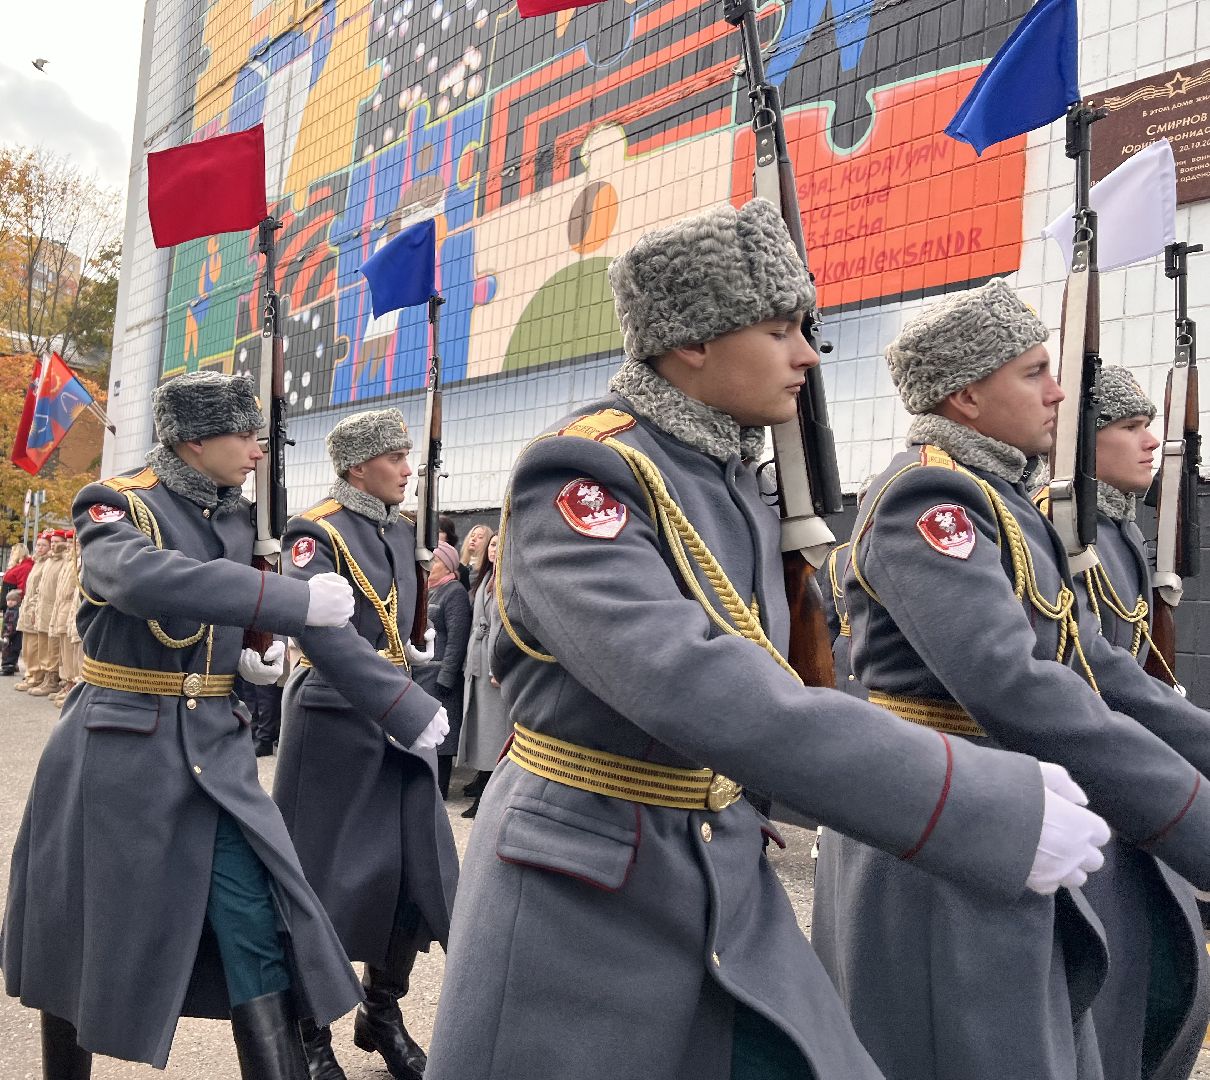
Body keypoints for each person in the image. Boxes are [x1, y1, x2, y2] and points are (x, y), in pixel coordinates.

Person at [424, 199, 1110, 1080]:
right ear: (693, 341)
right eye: (782, 328)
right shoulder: (587, 470)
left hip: (717, 868)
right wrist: (973, 799)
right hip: (586, 899)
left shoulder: (733, 476)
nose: (807, 355)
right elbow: (692, 680)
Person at [812, 281, 1210, 1080]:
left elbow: (1101, 670)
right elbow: (1013, 683)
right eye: (1034, 373)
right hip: (942, 836)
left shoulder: (998, 496)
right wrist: (1193, 820)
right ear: (967, 394)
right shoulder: (931, 496)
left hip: (1009, 814)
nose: (1058, 391)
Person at [1, 370, 364, 1079]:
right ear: (194, 442)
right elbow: (138, 580)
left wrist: (249, 655)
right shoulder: (116, 505)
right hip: (118, 747)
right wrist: (285, 600)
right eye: (243, 434)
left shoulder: (240, 517)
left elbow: (220, 613)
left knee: (255, 923)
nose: (258, 449)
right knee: (80, 931)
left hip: (213, 750)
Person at [275, 407, 459, 1080]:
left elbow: (396, 621)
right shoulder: (313, 532)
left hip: (398, 722)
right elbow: (322, 635)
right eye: (397, 457)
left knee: (414, 878)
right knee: (319, 886)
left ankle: (381, 1012)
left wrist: (417, 648)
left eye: (410, 455)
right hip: (333, 723)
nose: (410, 469)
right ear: (357, 465)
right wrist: (402, 697)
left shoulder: (401, 530)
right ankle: (309, 1032)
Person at [1048, 366, 1209, 1080]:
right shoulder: (1060, 531)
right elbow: (1096, 674)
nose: (1152, 443)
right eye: (1129, 427)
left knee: (1162, 987)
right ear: (1086, 444)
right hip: (1094, 796)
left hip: (1132, 779)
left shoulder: (1116, 529)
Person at [412, 540, 472, 799]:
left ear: (447, 565)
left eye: (435, 561)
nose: (430, 565)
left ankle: (439, 790)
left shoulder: (454, 591)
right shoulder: (428, 590)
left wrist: (446, 676)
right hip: (422, 674)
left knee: (442, 737)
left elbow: (457, 637)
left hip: (439, 677)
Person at [457, 530, 507, 817]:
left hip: (491, 664)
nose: (492, 549)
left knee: (493, 730)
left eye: (499, 545)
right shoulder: (485, 579)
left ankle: (488, 792)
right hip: (475, 660)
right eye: (491, 544)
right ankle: (482, 781)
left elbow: (502, 627)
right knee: (479, 726)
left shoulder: (505, 581)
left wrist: (496, 666)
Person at [13, 532, 51, 691]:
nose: (39, 548)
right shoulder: (37, 562)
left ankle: (36, 676)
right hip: (28, 605)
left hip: (36, 607)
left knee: (35, 646)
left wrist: (34, 609)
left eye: (43, 545)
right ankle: (30, 673)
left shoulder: (46, 563)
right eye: (38, 545)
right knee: (27, 645)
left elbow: (40, 590)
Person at [1, 541, 34, 608]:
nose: (11, 554)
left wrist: (15, 603)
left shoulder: (25, 567)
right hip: (10, 601)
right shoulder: (19, 566)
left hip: (13, 604)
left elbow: (23, 587)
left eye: (12, 552)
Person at [458, 523, 490, 590]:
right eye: (472, 536)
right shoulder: (459, 567)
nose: (473, 539)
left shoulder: (486, 571)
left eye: (480, 537)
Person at [1, 589, 22, 676]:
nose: (10, 602)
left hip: (12, 637)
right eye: (8, 600)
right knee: (9, 651)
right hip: (11, 636)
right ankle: (12, 666)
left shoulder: (14, 612)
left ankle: (8, 668)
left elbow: (11, 625)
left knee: (9, 651)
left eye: (13, 600)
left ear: (17, 602)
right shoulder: (9, 610)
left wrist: (7, 635)